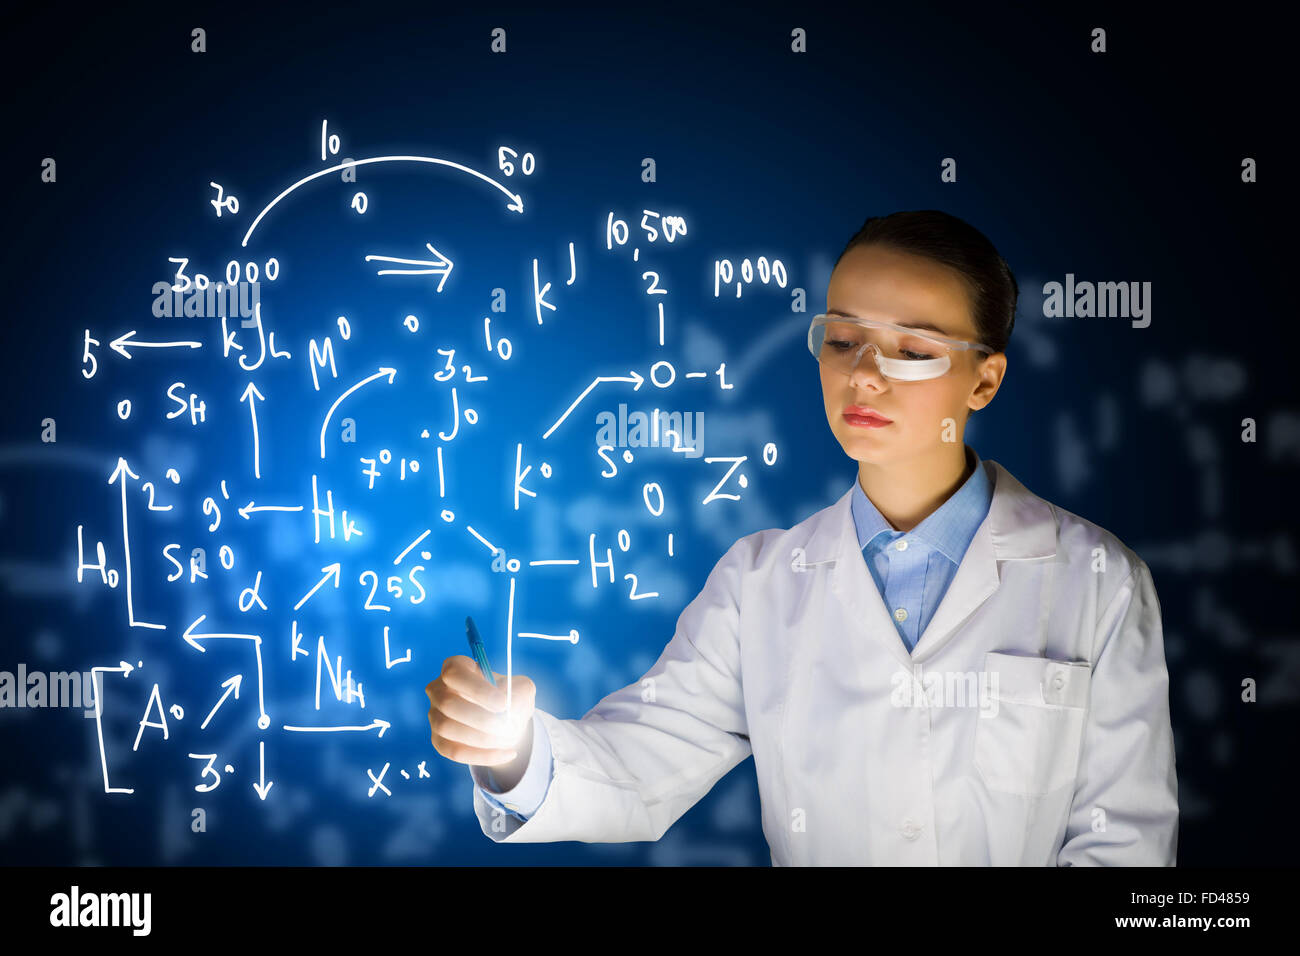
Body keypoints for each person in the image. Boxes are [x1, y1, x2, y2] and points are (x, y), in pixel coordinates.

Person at [425, 209, 1179, 865]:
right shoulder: (760, 585)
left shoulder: (1095, 581)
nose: (866, 376)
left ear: (984, 382)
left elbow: (1125, 846)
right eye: (844, 339)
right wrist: (512, 750)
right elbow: (642, 762)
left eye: (912, 351)